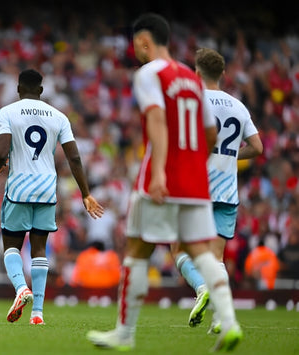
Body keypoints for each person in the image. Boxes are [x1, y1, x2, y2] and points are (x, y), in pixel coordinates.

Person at [86, 13, 242, 352]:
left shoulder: (149, 74)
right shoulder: (190, 77)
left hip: (162, 176)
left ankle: (124, 333)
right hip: (195, 180)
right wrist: (192, 163)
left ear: (145, 40)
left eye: (135, 43)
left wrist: (158, 172)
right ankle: (229, 322)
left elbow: (156, 119)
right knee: (202, 251)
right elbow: (211, 132)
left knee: (137, 251)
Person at [0, 69, 104, 325]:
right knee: (39, 248)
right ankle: (37, 313)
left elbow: (2, 150)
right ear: (41, 90)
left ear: (18, 89)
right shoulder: (59, 116)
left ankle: (20, 289)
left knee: (12, 245)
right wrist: (85, 193)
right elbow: (74, 157)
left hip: (19, 187)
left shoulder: (7, 112)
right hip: (47, 188)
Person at [170, 47, 263, 331]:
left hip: (196, 187)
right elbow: (257, 147)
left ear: (196, 73)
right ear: (223, 74)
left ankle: (201, 288)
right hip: (227, 191)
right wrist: (233, 156)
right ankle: (222, 317)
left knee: (177, 247)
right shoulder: (238, 106)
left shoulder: (192, 101)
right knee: (217, 257)